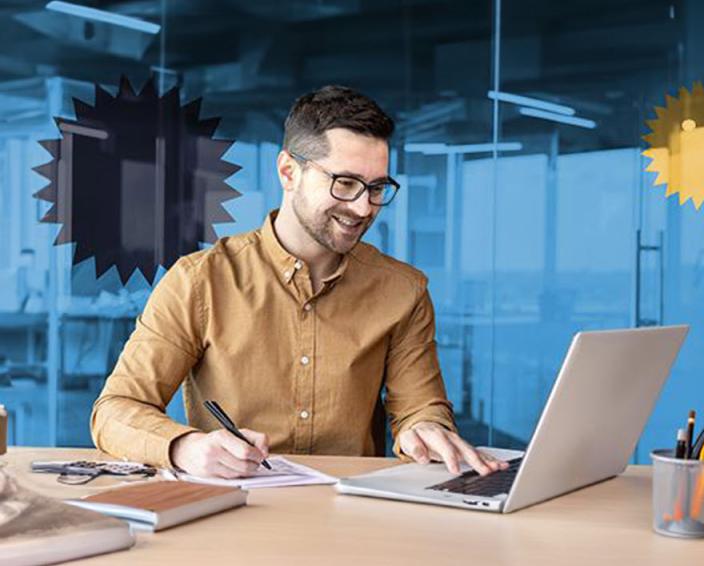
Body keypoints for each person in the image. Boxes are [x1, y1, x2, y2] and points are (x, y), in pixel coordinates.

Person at [91, 85, 507, 479]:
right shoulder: (199, 281)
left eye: (377, 187)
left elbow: (421, 407)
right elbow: (114, 410)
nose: (363, 207)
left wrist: (425, 428)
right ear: (289, 171)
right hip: (236, 518)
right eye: (345, 183)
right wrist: (185, 447)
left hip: (352, 521)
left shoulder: (403, 290)